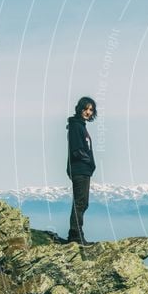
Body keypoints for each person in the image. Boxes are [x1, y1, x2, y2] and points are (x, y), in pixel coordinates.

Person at [66, 96, 97, 246]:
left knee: (82, 203)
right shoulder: (75, 126)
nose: (88, 112)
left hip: (83, 170)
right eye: (86, 108)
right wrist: (90, 162)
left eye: (91, 109)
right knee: (80, 202)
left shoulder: (81, 126)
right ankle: (76, 236)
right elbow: (76, 150)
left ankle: (75, 234)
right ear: (80, 108)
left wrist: (90, 165)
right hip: (79, 169)